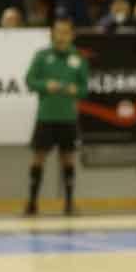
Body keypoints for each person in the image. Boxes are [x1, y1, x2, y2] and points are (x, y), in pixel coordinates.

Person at [23, 17, 89, 216]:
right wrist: (45, 85)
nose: (61, 36)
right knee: (38, 158)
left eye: (65, 32)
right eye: (58, 32)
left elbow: (84, 90)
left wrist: (74, 90)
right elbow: (29, 80)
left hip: (67, 118)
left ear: (72, 35)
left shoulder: (79, 59)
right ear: (52, 34)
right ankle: (32, 203)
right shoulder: (42, 56)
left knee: (68, 159)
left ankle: (69, 203)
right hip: (46, 117)